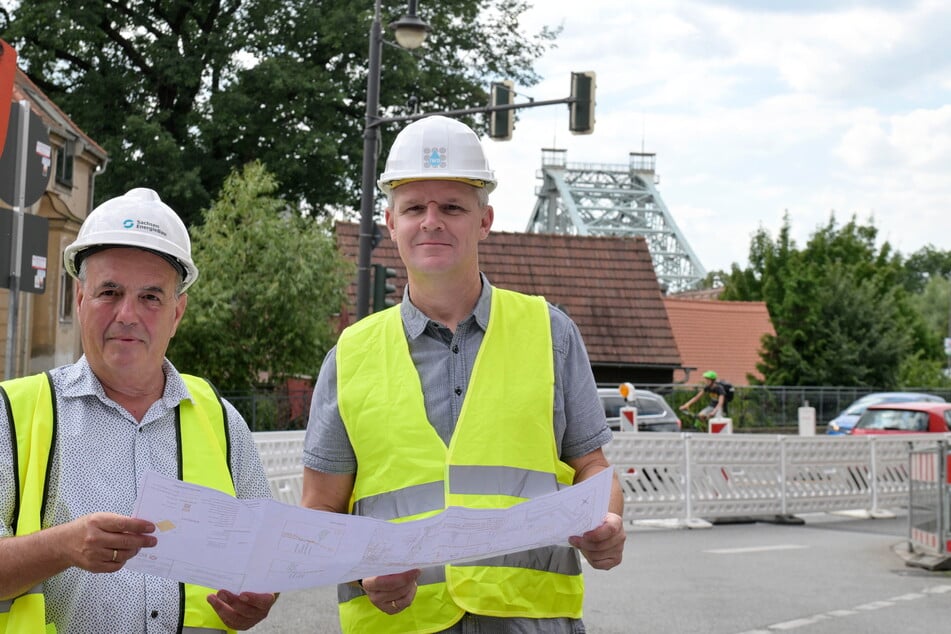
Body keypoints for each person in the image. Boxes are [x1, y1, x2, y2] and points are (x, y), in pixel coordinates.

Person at [302, 115, 625, 633]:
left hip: (531, 621)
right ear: (391, 223)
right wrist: (365, 572)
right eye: (414, 208)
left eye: (452, 206)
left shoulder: (550, 332)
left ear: (484, 220)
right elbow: (320, 507)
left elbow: (591, 466)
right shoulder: (352, 354)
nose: (432, 221)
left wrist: (607, 520)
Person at [0, 188, 277, 633]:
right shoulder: (13, 415)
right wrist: (61, 547)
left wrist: (261, 597)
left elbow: (265, 554)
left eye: (151, 297)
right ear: (79, 299)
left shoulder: (222, 421)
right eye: (109, 291)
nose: (128, 314)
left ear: (177, 313)